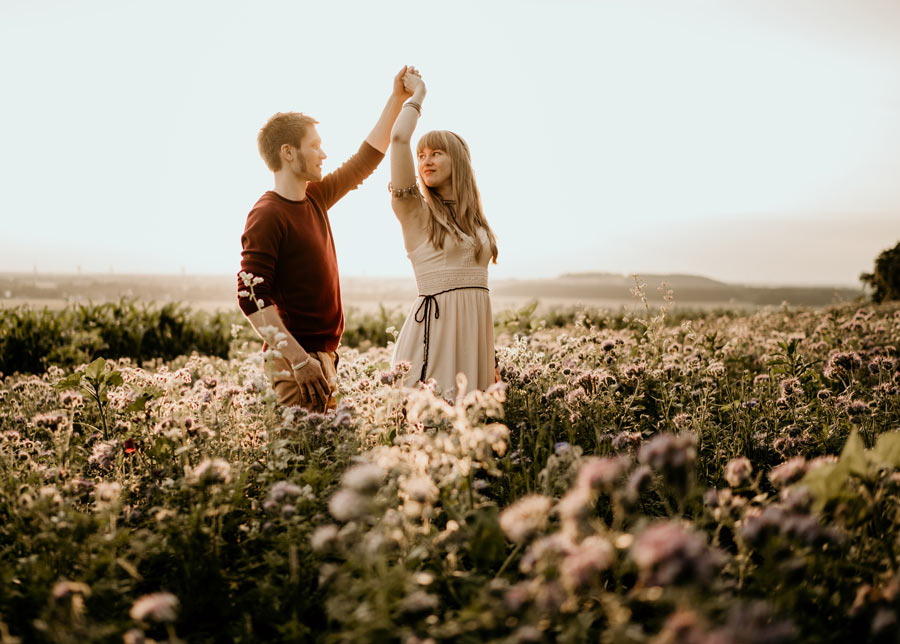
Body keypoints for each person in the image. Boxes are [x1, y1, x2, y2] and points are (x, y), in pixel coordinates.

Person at [238, 67, 415, 411]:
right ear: (288, 153)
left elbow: (365, 160)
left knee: (326, 459)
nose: (324, 154)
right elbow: (250, 297)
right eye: (315, 146)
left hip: (324, 360)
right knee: (301, 462)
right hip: (296, 365)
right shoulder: (268, 213)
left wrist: (396, 100)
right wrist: (301, 362)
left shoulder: (315, 197)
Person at [387, 70, 499, 397]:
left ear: (458, 160)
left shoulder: (474, 219)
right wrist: (418, 94)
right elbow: (398, 140)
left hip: (473, 348)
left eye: (436, 153)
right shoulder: (415, 212)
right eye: (421, 155)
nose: (425, 161)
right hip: (431, 341)